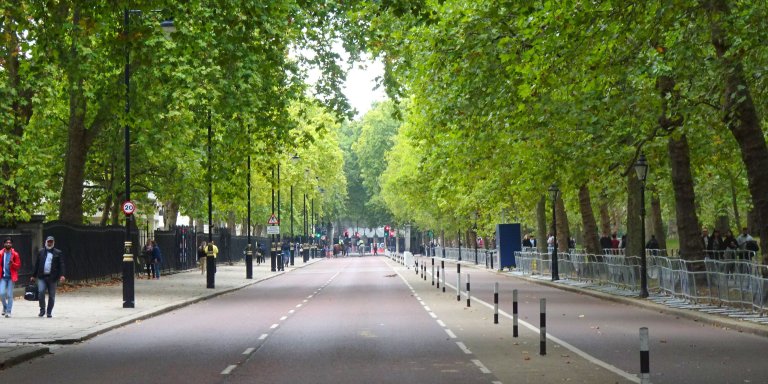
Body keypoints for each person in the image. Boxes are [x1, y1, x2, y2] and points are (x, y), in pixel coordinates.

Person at [31, 236, 66, 318]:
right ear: (45, 242)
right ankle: (42, 309)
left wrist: (62, 275)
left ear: (53, 243)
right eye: (48, 241)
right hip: (42, 277)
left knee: (52, 295)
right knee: (41, 292)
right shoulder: (41, 252)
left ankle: (49, 311)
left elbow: (61, 264)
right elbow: (37, 264)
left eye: (51, 242)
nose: (49, 243)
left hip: (52, 277)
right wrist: (33, 275)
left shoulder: (58, 252)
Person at [0, 238, 21, 317]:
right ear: (4, 244)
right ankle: (5, 307)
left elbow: (18, 266)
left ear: (11, 244)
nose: (8, 244)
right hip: (3, 277)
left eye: (9, 243)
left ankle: (8, 311)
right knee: (1, 293)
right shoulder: (1, 253)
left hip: (11, 277)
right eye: (6, 242)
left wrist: (13, 264)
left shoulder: (15, 254)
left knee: (9, 294)